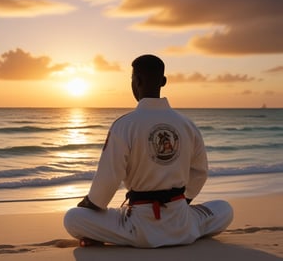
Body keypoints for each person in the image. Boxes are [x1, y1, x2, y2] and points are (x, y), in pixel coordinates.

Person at [64, 54, 233, 248]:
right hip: (182, 222)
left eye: (133, 80)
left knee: (73, 218)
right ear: (163, 81)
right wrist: (181, 203)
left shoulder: (124, 125)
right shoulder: (187, 124)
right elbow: (200, 172)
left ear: (136, 81)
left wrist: (91, 204)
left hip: (138, 227)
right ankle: (185, 231)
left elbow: (109, 177)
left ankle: (106, 235)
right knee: (224, 208)